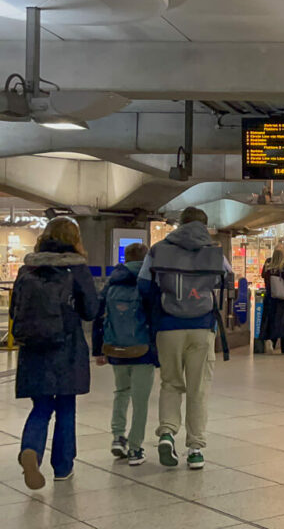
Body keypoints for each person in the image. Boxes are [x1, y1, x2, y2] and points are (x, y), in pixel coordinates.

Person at [138, 206, 233, 470]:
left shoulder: (158, 250)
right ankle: (194, 449)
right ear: (205, 225)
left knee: (170, 383)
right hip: (202, 327)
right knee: (198, 388)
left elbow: (143, 286)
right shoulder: (215, 252)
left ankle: (167, 432)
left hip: (168, 326)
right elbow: (228, 279)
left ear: (180, 224)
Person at [13, 217, 99, 489]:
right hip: (67, 348)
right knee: (65, 408)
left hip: (34, 349)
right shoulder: (76, 269)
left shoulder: (28, 269)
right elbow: (91, 310)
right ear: (75, 240)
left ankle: (31, 450)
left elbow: (16, 310)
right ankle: (63, 467)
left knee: (40, 407)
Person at [92, 242, 157, 467]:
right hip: (142, 349)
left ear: (125, 259)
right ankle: (136, 448)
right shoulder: (148, 282)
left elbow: (99, 317)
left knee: (121, 391)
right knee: (140, 401)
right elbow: (155, 316)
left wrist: (99, 350)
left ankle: (118, 436)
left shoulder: (112, 283)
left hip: (116, 348)